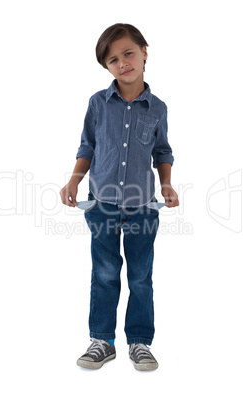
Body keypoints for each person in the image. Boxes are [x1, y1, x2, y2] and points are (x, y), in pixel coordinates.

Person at [60, 23, 179, 371]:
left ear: (144, 51)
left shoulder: (158, 109)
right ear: (107, 67)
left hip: (144, 207)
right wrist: (74, 181)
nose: (122, 63)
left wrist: (167, 184)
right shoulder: (98, 104)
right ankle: (102, 341)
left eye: (128, 53)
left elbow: (162, 151)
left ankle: (140, 342)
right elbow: (88, 146)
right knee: (105, 273)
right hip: (102, 204)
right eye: (113, 59)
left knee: (141, 275)